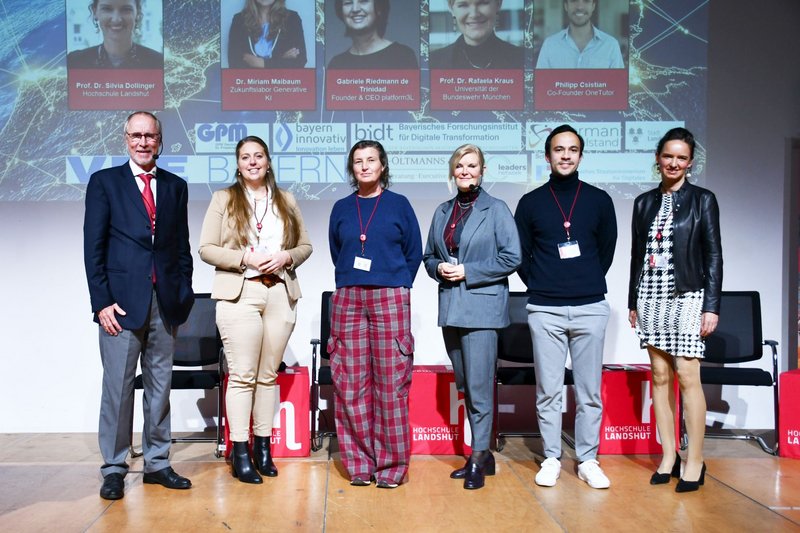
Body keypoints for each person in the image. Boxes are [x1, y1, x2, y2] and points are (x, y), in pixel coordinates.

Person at [84, 111, 194, 500]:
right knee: (118, 388)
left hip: (165, 303)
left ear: (160, 141)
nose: (144, 142)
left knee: (160, 386)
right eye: (137, 135)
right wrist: (101, 302)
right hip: (120, 306)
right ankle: (114, 467)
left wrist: (183, 294)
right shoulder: (104, 183)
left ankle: (157, 463)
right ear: (126, 138)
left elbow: (181, 247)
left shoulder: (176, 186)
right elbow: (93, 248)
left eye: (150, 136)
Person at [198, 136, 312, 484]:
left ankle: (263, 448)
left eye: (258, 156)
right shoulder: (224, 198)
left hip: (279, 291)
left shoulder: (286, 200)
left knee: (267, 376)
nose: (252, 162)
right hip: (241, 292)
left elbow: (305, 246)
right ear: (238, 164)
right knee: (243, 375)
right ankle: (240, 451)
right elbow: (206, 248)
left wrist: (287, 256)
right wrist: (245, 258)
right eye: (245, 157)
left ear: (267, 161)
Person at [514, 124, 617, 489]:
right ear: (547, 156)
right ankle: (551, 457)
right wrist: (543, 282)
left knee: (589, 392)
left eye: (573, 149)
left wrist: (583, 280)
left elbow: (606, 251)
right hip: (545, 309)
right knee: (549, 390)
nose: (566, 155)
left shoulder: (599, 200)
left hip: (590, 306)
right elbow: (520, 254)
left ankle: (588, 459)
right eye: (559, 149)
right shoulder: (531, 203)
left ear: (581, 156)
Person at [628, 127, 722, 493]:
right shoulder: (643, 202)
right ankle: (668, 455)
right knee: (659, 375)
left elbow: (713, 255)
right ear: (658, 158)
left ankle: (694, 460)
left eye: (681, 157)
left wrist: (711, 306)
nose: (674, 163)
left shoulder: (703, 200)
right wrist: (632, 301)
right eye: (668, 156)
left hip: (688, 293)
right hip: (650, 294)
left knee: (686, 374)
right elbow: (637, 255)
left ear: (690, 162)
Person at [422, 144, 521, 490]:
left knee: (479, 387)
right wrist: (439, 268)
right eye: (460, 166)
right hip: (451, 307)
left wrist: (468, 271)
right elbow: (428, 256)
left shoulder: (497, 209)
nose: (465, 171)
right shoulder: (442, 211)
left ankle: (478, 455)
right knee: (465, 384)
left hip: (482, 310)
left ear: (482, 170)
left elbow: (512, 257)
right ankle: (484, 455)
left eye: (472, 165)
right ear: (453, 171)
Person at [327, 140, 422, 488]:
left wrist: (397, 283)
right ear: (352, 169)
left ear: (383, 165)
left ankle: (392, 467)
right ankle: (359, 465)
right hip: (349, 297)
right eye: (358, 161)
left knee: (391, 383)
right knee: (350, 383)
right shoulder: (341, 207)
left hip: (390, 296)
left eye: (371, 160)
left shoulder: (399, 204)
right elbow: (337, 249)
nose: (365, 166)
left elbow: (414, 251)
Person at [67, 0, 163, 69]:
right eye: (107, 9)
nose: (116, 19)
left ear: (137, 13)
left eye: (126, 9)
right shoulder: (75, 62)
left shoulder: (157, 62)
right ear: (95, 12)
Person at [429, 0, 524, 70]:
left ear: (498, 4)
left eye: (483, 3)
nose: (474, 15)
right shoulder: (432, 62)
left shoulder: (524, 59)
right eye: (463, 5)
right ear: (451, 9)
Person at [327, 0, 418, 69]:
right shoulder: (336, 64)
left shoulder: (403, 56)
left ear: (379, 8)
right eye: (348, 3)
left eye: (363, 1)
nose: (355, 9)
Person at [536, 0, 624, 69]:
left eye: (586, 1)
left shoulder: (611, 45)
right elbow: (541, 84)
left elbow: (617, 85)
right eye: (573, 0)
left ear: (593, 6)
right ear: (566, 6)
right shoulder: (549, 45)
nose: (580, 7)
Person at [227, 0, 307, 69]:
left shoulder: (292, 19)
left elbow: (300, 61)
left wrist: (263, 64)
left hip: (282, 81)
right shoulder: (239, 20)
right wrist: (281, 59)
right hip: (248, 81)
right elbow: (234, 63)